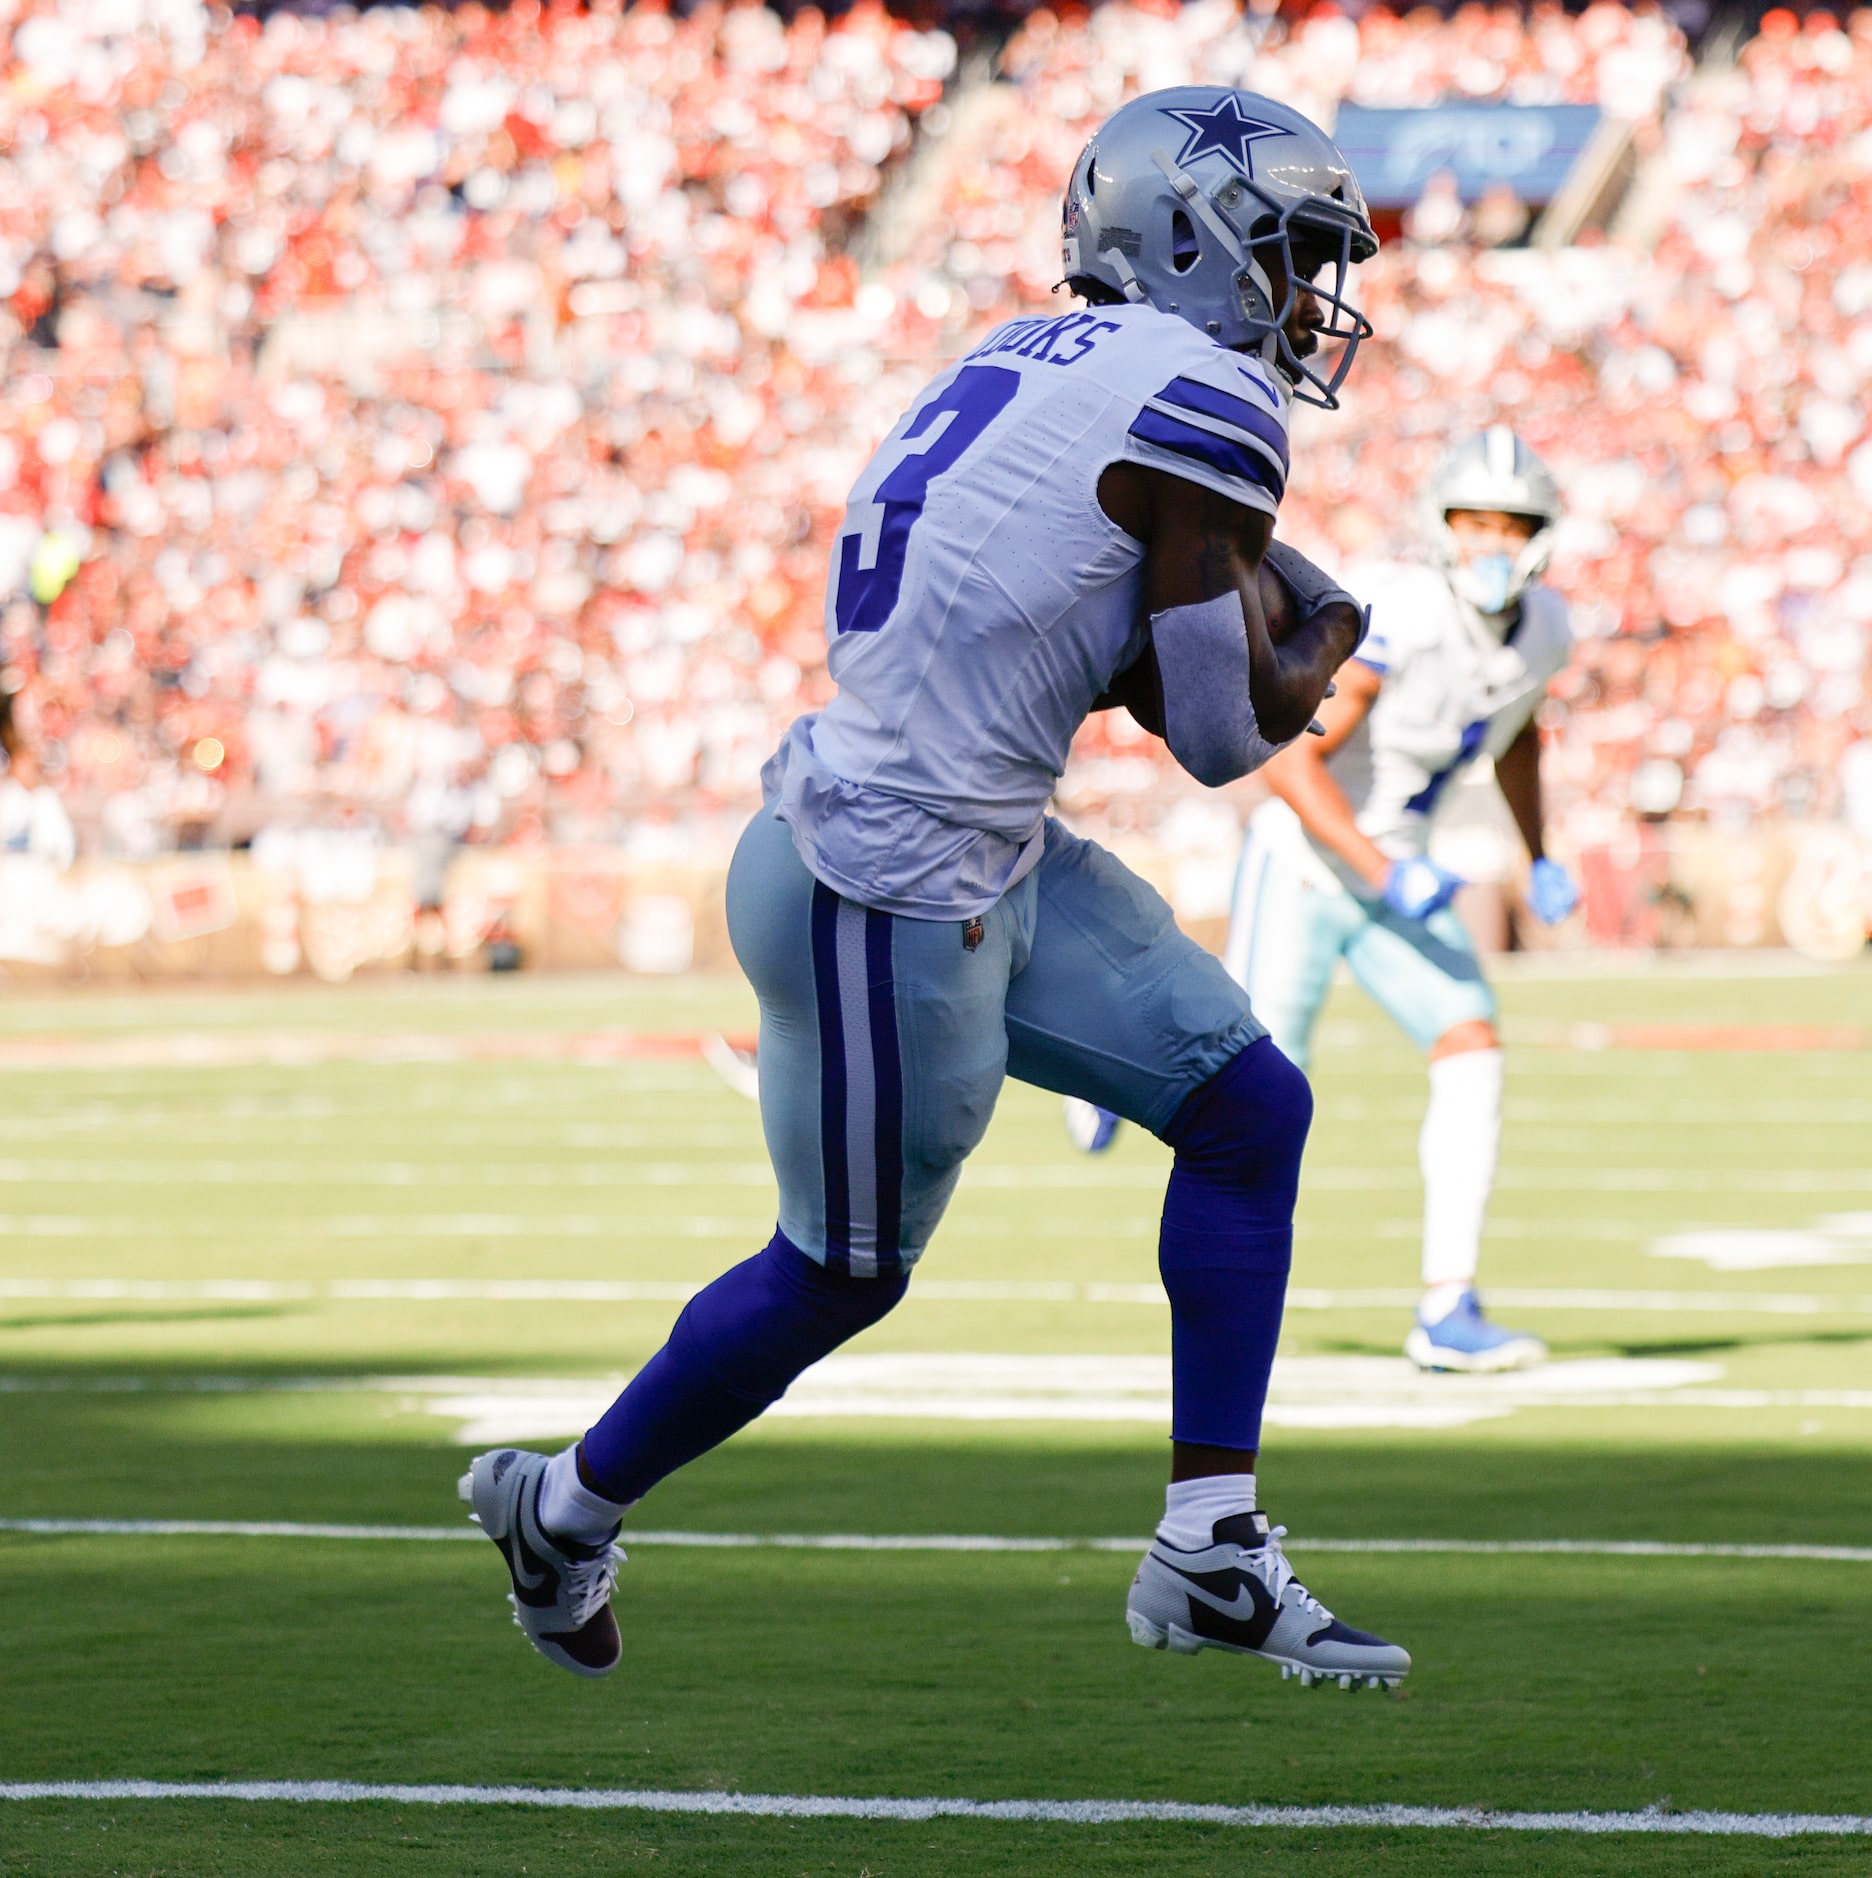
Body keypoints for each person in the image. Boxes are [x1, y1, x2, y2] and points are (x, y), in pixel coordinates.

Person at [460, 87, 1412, 1693]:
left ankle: (1213, 1547)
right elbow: (1216, 734)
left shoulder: (1006, 359)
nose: (1308, 297)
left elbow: (1067, 638)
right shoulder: (1197, 395)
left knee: (1253, 1110)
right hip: (886, 883)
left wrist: (1262, 603)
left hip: (974, 844)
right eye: (1288, 251)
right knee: (842, 1271)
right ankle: (560, 1508)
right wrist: (1327, 635)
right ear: (1192, 237)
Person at [1234, 429, 1581, 1371]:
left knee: (1472, 1049)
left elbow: (1516, 733)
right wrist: (1384, 870)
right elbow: (1285, 758)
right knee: (1249, 1095)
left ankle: (1448, 1305)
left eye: (1511, 525)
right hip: (1310, 862)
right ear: (1442, 528)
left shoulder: (1547, 626)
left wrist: (1538, 850)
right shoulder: (1407, 616)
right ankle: (1116, 1080)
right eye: (1474, 523)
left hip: (1395, 871)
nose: (1492, 543)